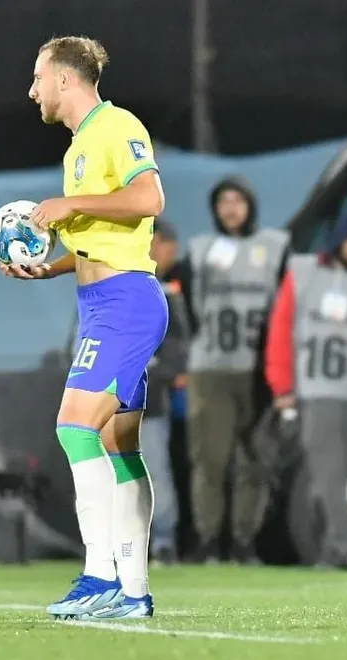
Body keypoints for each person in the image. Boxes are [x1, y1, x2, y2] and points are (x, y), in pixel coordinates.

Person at [1, 36, 167, 620]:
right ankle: (136, 592)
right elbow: (96, 236)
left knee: (75, 427)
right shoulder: (77, 149)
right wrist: (50, 265)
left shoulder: (116, 125)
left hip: (126, 300)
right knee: (120, 445)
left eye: (37, 77)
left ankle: (100, 575)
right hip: (102, 301)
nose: (32, 90)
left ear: (65, 79)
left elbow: (149, 197)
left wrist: (70, 207)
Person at [264, 210, 347, 569]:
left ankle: (336, 550)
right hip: (318, 392)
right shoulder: (303, 274)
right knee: (327, 473)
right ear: (339, 240)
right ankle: (346, 547)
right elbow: (280, 333)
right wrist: (283, 389)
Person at [174, 176, 289, 564]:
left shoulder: (274, 248)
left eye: (238, 200)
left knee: (253, 461)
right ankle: (207, 539)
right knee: (210, 459)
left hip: (256, 368)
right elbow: (186, 305)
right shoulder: (202, 250)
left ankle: (244, 541)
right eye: (223, 201)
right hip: (211, 367)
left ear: (251, 205)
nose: (231, 208)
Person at [140, 219, 191, 565]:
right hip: (108, 400)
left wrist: (158, 370)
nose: (172, 256)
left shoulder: (168, 293)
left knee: (155, 471)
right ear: (155, 242)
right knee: (111, 473)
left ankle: (162, 540)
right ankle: (109, 544)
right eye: (170, 247)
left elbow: (178, 346)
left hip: (150, 400)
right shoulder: (110, 282)